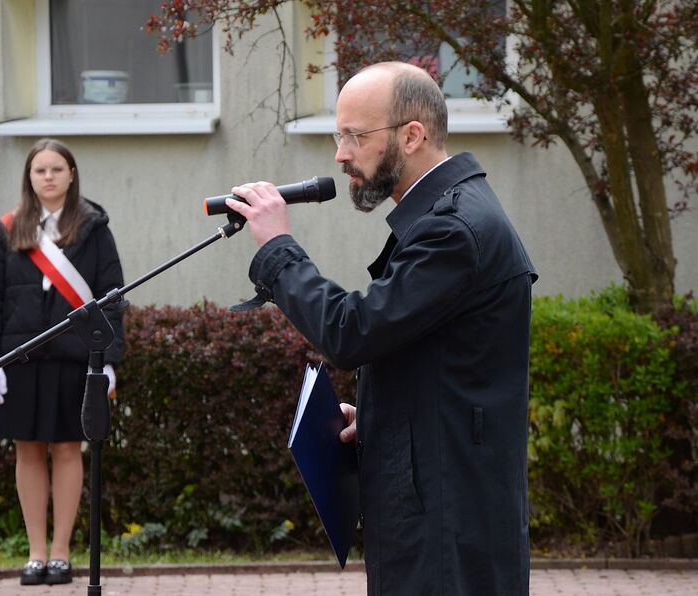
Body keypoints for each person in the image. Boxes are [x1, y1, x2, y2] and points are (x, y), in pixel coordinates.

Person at [226, 62, 537, 595]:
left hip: (447, 524)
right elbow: (435, 361)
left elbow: (352, 332)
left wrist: (278, 249)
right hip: (440, 506)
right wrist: (374, 414)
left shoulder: (453, 230)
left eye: (355, 136)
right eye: (337, 135)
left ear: (411, 135)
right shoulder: (445, 216)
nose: (340, 154)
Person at [0, 138, 124, 586]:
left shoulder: (95, 228)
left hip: (76, 361)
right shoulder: (8, 228)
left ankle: (61, 553)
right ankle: (36, 553)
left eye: (57, 169)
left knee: (67, 448)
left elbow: (112, 299)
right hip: (20, 360)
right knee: (28, 450)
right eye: (40, 170)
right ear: (29, 177)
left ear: (71, 174)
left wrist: (110, 361)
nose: (49, 177)